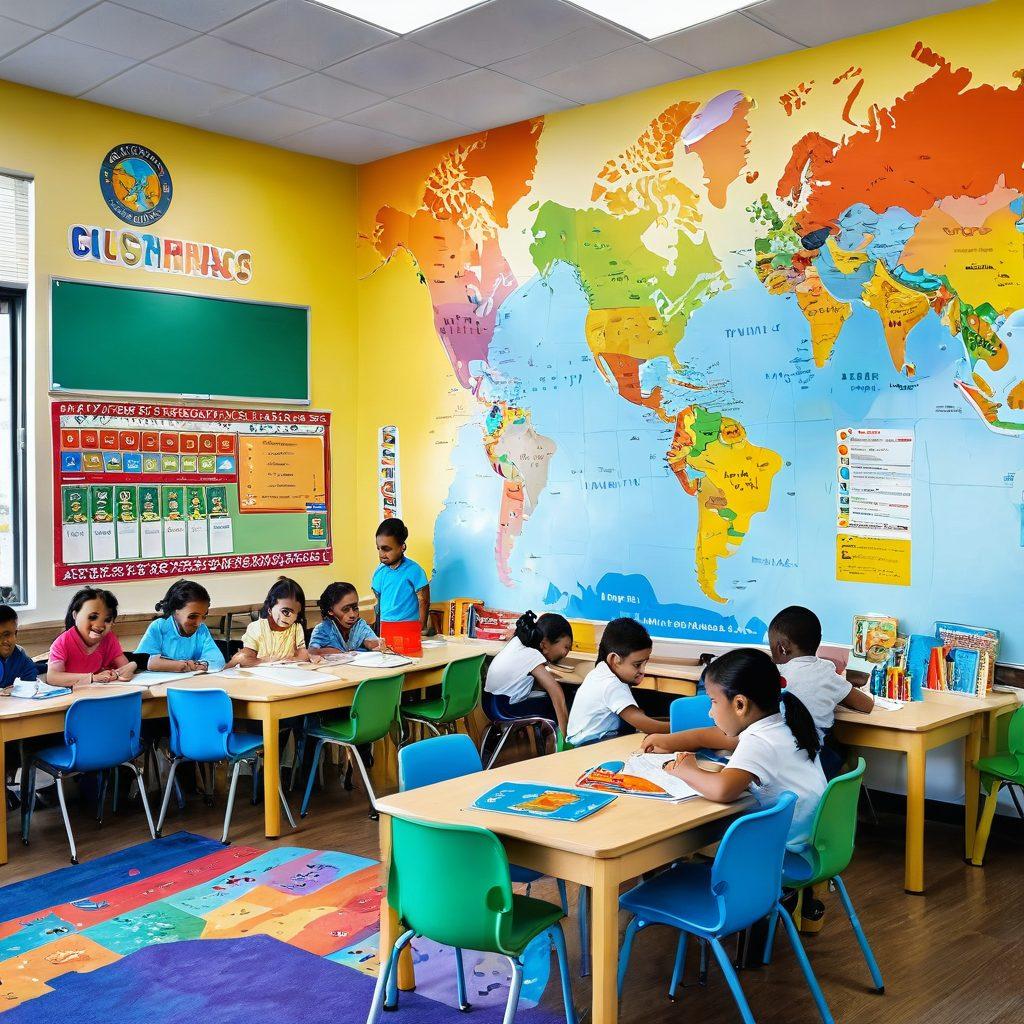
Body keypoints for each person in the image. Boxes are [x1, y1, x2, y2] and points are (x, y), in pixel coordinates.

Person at [645, 606, 872, 776]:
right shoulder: (826, 672)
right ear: (818, 641)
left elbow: (729, 744)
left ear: (781, 648)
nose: (711, 711)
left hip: (778, 768)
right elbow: (865, 704)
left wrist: (670, 742)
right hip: (819, 763)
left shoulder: (769, 679)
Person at [662, 648, 826, 845]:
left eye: (713, 702)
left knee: (692, 842)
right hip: (809, 838)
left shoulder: (758, 742)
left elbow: (722, 790)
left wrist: (686, 770)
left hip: (780, 849)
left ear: (740, 705)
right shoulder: (785, 725)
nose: (710, 713)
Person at [566, 617, 669, 746]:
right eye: (637, 665)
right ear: (614, 660)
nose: (643, 670)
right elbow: (647, 725)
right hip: (588, 747)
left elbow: (641, 718)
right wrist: (684, 728)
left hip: (586, 742)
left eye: (645, 663)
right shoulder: (611, 684)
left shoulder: (601, 671)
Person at [485, 610, 573, 737]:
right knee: (559, 700)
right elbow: (557, 693)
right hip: (504, 707)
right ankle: (561, 742)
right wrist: (565, 734)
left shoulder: (519, 643)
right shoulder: (532, 654)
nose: (566, 653)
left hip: (490, 702)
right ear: (545, 644)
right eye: (566, 647)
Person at [47, 588, 136, 687]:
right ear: (75, 615)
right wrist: (93, 678)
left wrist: (119, 672)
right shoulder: (62, 642)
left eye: (107, 620)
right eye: (93, 617)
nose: (100, 626)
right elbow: (53, 677)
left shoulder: (109, 637)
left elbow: (125, 667)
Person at [136, 579, 225, 673]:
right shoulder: (159, 627)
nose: (198, 623)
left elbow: (218, 660)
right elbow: (142, 660)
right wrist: (179, 665)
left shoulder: (202, 630)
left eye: (203, 617)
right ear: (175, 611)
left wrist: (202, 665)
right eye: (192, 616)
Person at [231, 577, 320, 667]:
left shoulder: (296, 627)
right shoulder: (257, 627)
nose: (291, 618)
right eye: (285, 612)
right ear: (270, 608)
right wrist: (270, 662)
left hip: (287, 673)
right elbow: (246, 657)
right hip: (262, 673)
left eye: (296, 613)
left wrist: (295, 659)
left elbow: (302, 653)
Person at [372, 518, 429, 634]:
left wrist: (421, 627)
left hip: (409, 628)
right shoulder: (379, 572)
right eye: (379, 548)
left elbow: (424, 601)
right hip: (386, 628)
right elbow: (377, 604)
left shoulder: (414, 570)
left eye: (386, 549)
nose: (382, 554)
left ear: (402, 547)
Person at [309, 582, 389, 654]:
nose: (352, 615)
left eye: (355, 608)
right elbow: (312, 652)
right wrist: (332, 652)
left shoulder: (359, 625)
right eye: (345, 609)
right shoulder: (322, 629)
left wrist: (377, 644)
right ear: (330, 610)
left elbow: (370, 642)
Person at [0, 604, 37, 688]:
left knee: (42, 667)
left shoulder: (24, 662)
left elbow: (29, 687)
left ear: (15, 634)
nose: (2, 641)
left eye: (6, 634)